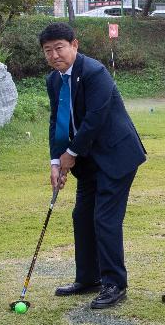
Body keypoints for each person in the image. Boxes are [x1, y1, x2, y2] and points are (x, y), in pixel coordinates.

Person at [41, 22, 146, 310]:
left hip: (116, 156)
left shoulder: (94, 72)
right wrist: (55, 160)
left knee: (105, 218)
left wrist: (71, 153)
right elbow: (57, 122)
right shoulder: (54, 80)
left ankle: (114, 283)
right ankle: (89, 278)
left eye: (59, 48)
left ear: (74, 45)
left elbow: (95, 119)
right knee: (82, 216)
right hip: (86, 161)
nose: (54, 55)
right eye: (48, 51)